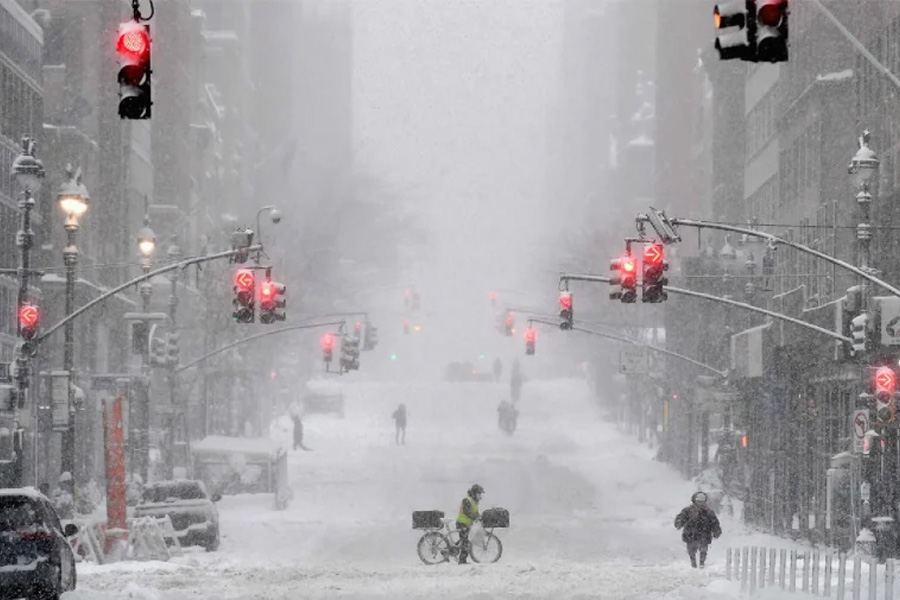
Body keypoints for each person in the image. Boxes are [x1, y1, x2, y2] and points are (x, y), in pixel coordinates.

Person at [674, 491, 722, 568]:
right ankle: (693, 563)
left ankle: (702, 563)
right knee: (691, 550)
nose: (700, 503)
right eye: (698, 501)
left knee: (703, 549)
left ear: (704, 501)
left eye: (701, 502)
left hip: (704, 533)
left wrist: (716, 531)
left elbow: (715, 522)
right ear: (695, 500)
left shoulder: (709, 512)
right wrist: (679, 522)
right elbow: (681, 517)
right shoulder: (688, 510)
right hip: (690, 534)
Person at [456, 484, 484, 564]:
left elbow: (475, 512)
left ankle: (451, 551)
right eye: (479, 493)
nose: (480, 496)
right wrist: (474, 517)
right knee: (466, 542)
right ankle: (462, 560)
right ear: (475, 493)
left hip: (467, 523)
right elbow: (467, 512)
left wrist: (480, 517)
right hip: (462, 523)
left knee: (464, 539)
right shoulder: (467, 500)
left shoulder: (475, 502)